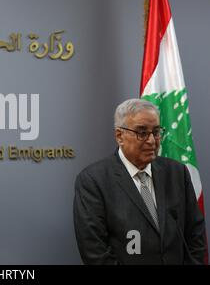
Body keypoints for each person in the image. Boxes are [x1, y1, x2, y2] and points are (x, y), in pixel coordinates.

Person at [73, 98, 206, 264]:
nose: (151, 140)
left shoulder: (177, 173)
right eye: (142, 133)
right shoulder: (93, 181)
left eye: (156, 132)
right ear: (119, 136)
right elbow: (95, 253)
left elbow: (196, 236)